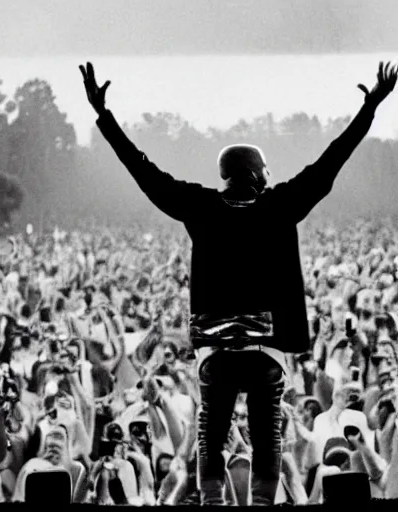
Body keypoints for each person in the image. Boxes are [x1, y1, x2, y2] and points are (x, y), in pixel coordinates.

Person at [79, 61, 398, 505]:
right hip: (266, 345)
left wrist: (105, 116)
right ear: (253, 172)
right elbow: (331, 161)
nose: (269, 174)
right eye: (264, 168)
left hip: (216, 348)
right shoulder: (279, 206)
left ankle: (213, 502)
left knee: (212, 424)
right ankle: (263, 504)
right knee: (267, 430)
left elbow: (144, 172)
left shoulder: (202, 207)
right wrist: (370, 107)